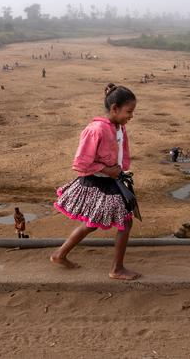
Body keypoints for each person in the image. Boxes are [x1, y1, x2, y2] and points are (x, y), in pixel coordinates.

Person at [51, 83, 140, 280]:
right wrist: (108, 170)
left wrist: (121, 171)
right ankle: (116, 269)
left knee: (93, 223)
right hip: (98, 182)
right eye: (129, 111)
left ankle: (60, 254)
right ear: (115, 108)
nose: (131, 116)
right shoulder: (96, 129)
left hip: (111, 181)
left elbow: (122, 153)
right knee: (124, 222)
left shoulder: (119, 127)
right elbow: (81, 163)